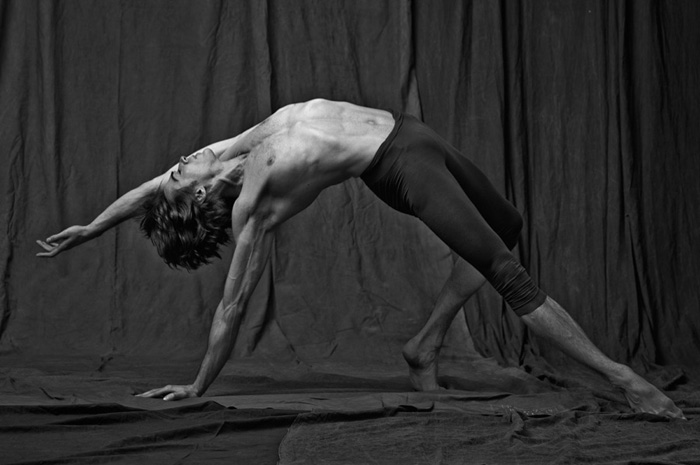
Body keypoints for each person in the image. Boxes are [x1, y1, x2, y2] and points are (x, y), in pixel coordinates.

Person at [37, 99, 683, 419]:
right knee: (508, 276)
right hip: (397, 166)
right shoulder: (253, 200)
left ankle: (425, 345)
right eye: (183, 172)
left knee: (506, 226)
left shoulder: (229, 150)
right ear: (202, 195)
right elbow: (231, 306)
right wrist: (199, 385)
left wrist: (90, 228)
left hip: (412, 132)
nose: (179, 162)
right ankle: (624, 379)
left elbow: (153, 190)